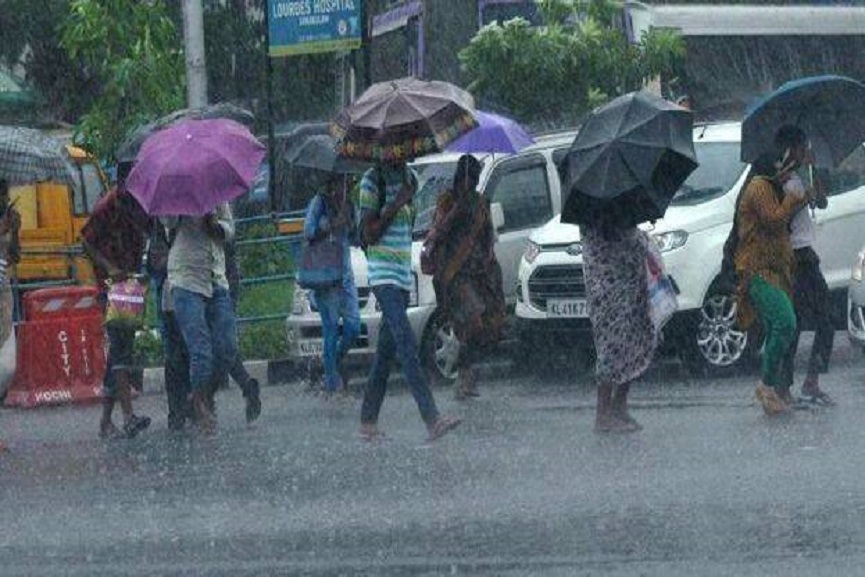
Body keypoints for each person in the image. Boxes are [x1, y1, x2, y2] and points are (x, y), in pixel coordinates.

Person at [358, 160, 461, 441]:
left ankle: (368, 421)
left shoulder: (411, 177)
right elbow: (368, 234)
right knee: (406, 343)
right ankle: (432, 418)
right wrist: (395, 203)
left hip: (403, 275)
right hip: (383, 276)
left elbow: (409, 227)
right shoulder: (371, 181)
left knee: (386, 352)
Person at [734, 126, 809, 415]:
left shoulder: (771, 186)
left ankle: (774, 389)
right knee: (785, 322)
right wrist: (791, 198)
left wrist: (805, 196)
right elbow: (774, 219)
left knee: (778, 327)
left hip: (776, 269)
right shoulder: (759, 188)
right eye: (784, 162)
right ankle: (767, 386)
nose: (787, 167)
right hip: (758, 270)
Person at [81, 162, 152, 439]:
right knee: (120, 349)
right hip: (113, 283)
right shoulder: (108, 205)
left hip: (132, 282)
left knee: (121, 351)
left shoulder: (139, 205)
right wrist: (108, 267)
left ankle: (106, 421)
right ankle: (128, 416)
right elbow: (85, 241)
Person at [164, 203, 248, 433]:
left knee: (227, 347)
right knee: (200, 350)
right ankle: (201, 406)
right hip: (186, 279)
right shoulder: (176, 197)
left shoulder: (217, 196)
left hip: (216, 278)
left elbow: (229, 230)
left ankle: (200, 395)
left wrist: (215, 225)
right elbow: (167, 225)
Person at [427, 155, 505, 399]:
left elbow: (488, 238)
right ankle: (464, 375)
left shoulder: (481, 204)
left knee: (487, 327)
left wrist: (488, 264)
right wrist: (458, 210)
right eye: (468, 179)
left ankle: (467, 376)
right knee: (472, 323)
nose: (470, 185)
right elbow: (437, 233)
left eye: (475, 179)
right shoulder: (446, 202)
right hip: (454, 275)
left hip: (480, 274)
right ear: (460, 178)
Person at [581, 215, 658, 432]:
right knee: (612, 350)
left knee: (634, 345)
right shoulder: (596, 218)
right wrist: (641, 240)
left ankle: (619, 406)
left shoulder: (619, 210)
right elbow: (621, 246)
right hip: (610, 295)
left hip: (630, 291)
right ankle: (603, 413)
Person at [778, 152, 835, 406]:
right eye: (803, 147)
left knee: (821, 319)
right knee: (799, 321)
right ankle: (787, 385)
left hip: (805, 254)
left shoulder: (800, 176)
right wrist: (803, 199)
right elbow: (779, 218)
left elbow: (820, 203)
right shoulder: (779, 179)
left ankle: (808, 381)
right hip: (794, 256)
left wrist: (817, 183)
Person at [303, 173, 360, 398]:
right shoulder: (319, 204)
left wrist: (352, 221)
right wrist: (332, 226)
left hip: (345, 275)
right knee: (330, 329)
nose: (343, 186)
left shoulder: (349, 205)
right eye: (340, 182)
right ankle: (331, 384)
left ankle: (330, 364)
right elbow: (308, 232)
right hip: (325, 276)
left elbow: (354, 237)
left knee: (353, 326)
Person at [0, 179, 20, 452]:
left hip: (3, 293)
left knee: (6, 367)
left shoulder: (9, 218)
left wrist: (14, 231)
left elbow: (14, 256)